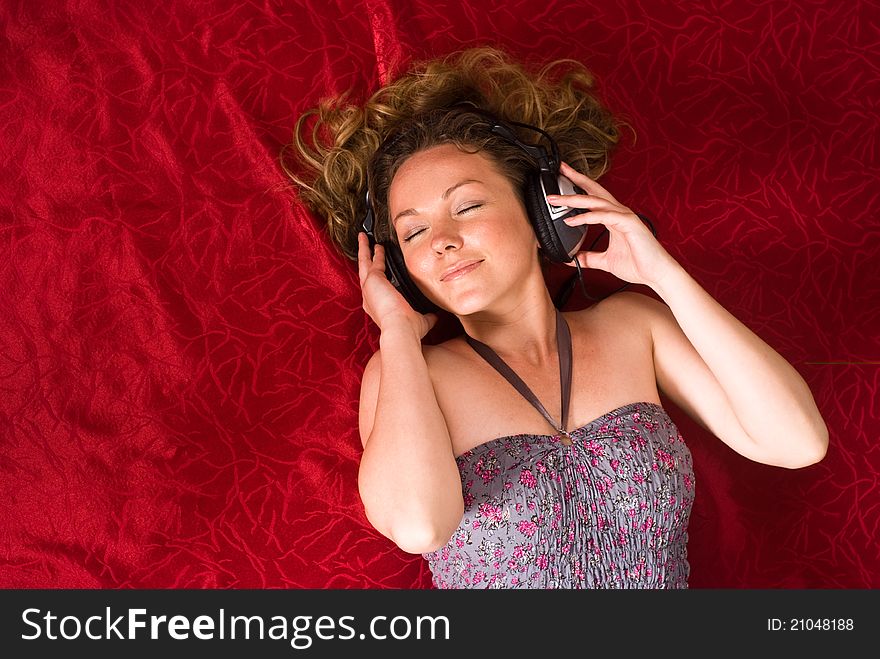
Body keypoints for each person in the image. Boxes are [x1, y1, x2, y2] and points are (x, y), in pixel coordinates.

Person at [284, 46, 829, 589]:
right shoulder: (407, 375)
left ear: (544, 212)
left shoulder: (634, 328)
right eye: (414, 231)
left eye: (467, 206)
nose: (444, 243)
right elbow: (418, 524)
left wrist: (663, 276)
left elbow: (797, 441)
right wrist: (398, 333)